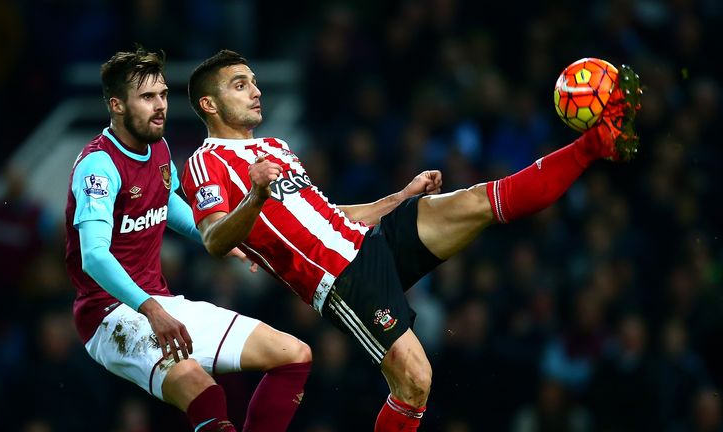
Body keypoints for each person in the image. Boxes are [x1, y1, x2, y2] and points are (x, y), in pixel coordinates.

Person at [180, 49, 641, 431]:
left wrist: (399, 197)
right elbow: (215, 238)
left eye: (254, 81)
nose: (256, 90)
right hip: (340, 280)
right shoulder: (207, 162)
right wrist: (257, 194)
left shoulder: (275, 147)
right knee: (415, 381)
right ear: (209, 105)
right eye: (240, 85)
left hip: (370, 241)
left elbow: (323, 214)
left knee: (476, 201)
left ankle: (593, 144)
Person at [64, 47, 312, 432]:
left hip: (159, 302)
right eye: (147, 97)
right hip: (108, 316)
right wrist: (152, 309)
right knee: (202, 389)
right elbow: (94, 256)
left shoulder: (158, 147)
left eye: (162, 94)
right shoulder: (99, 166)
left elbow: (170, 205)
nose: (160, 105)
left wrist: (219, 238)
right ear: (116, 104)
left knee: (293, 355)